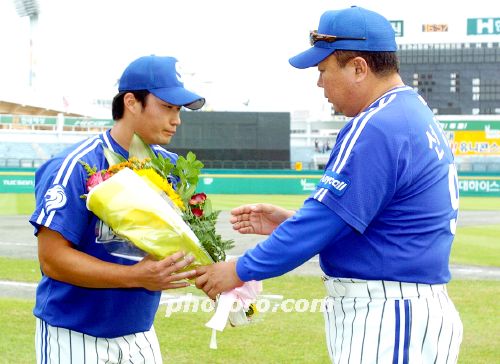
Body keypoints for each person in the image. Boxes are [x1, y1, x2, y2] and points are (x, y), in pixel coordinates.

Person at [196, 6, 463, 363]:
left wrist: (237, 270)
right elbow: (373, 222)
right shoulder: (409, 110)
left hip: (390, 312)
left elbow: (324, 220)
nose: (319, 82)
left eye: (323, 70)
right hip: (401, 309)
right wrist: (293, 221)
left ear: (358, 67)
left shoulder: (378, 124)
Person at [30, 55, 205, 364]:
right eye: (167, 107)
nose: (176, 119)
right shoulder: (75, 166)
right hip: (74, 334)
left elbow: (179, 246)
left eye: (178, 110)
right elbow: (52, 259)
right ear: (132, 102)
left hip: (139, 333)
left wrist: (221, 280)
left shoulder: (172, 168)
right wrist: (135, 276)